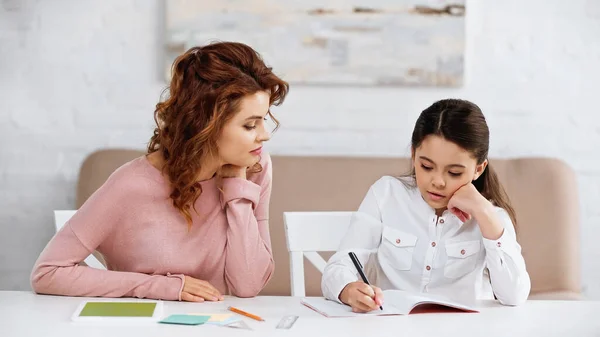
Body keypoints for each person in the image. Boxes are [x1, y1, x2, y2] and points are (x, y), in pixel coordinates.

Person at [31, 41, 289, 302]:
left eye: (264, 120)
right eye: (249, 125)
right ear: (205, 125)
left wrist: (237, 189)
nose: (264, 136)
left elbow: (248, 286)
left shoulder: (255, 168)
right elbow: (48, 272)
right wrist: (157, 286)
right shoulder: (131, 184)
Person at [321, 99, 531, 312]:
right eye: (427, 166)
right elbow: (338, 268)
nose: (438, 181)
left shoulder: (492, 217)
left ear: (478, 169)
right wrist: (348, 289)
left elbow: (514, 295)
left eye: (454, 173)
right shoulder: (386, 194)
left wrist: (484, 211)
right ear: (413, 155)